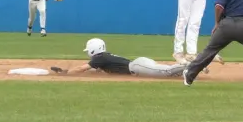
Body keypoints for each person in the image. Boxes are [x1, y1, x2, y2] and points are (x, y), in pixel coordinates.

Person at [50, 38, 190, 78]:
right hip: (138, 65)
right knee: (167, 72)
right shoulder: (103, 58)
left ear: (94, 49)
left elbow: (82, 69)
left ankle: (192, 65)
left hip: (137, 66)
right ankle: (190, 69)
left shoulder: (99, 58)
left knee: (165, 72)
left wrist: (66, 73)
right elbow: (91, 71)